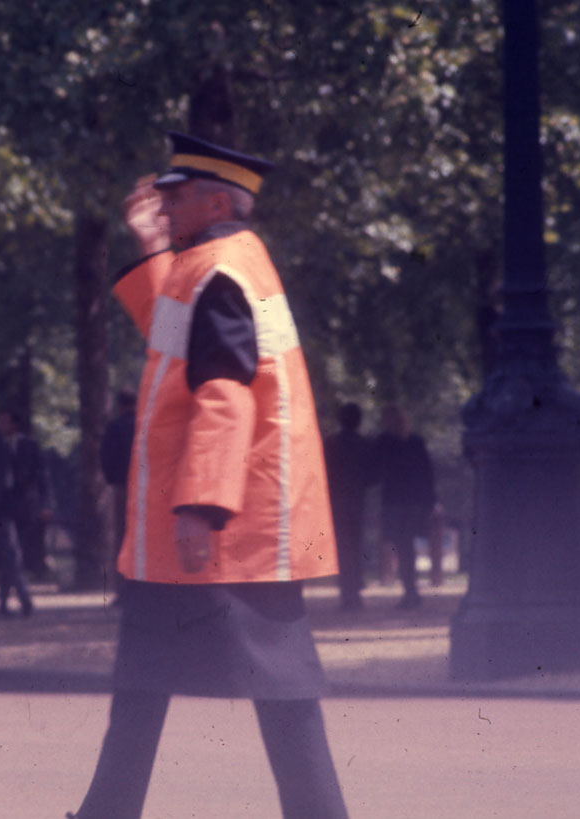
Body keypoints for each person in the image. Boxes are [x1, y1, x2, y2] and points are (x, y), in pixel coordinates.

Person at [70, 132, 348, 819]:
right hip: (215, 535)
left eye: (179, 192)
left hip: (222, 535)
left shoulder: (220, 272)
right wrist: (148, 249)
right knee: (152, 688)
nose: (166, 201)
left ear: (220, 198)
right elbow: (174, 336)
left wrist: (202, 505)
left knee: (276, 696)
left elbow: (225, 393)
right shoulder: (217, 266)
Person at [0, 408, 45, 616]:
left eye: (5, 422)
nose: (1, 426)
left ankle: (3, 604)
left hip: (23, 507)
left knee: (11, 556)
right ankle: (26, 600)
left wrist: (46, 504)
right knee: (12, 552)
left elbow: (42, 477)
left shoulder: (30, 446)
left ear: (15, 424)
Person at [373, 404, 436, 610]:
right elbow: (427, 474)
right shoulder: (415, 442)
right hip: (411, 502)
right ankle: (411, 590)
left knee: (402, 547)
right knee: (406, 547)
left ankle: (410, 590)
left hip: (396, 501)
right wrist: (429, 501)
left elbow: (376, 472)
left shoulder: (384, 442)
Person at [324, 402, 374, 610]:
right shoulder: (364, 444)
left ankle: (348, 592)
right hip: (358, 499)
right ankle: (355, 590)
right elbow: (373, 474)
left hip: (336, 499)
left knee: (343, 547)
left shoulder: (331, 443)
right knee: (356, 544)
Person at [99, 389, 137, 598]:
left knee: (121, 539)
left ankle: (122, 591)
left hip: (122, 487)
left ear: (120, 405)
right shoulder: (145, 424)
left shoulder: (115, 427)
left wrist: (113, 480)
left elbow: (105, 457)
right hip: (145, 489)